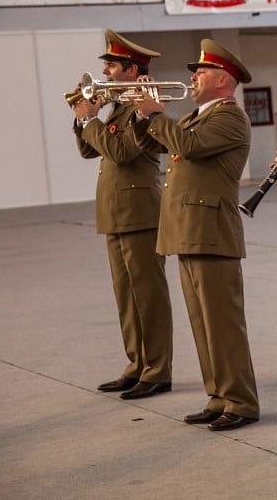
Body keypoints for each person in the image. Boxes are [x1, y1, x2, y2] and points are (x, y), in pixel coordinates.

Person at [132, 39, 259, 431]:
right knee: (203, 325)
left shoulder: (229, 117)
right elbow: (152, 144)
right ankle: (219, 395)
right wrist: (142, 116)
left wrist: (156, 115)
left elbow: (190, 147)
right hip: (189, 231)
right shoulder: (193, 116)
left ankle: (241, 400)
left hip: (211, 231)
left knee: (223, 324)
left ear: (223, 79)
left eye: (201, 71)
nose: (192, 77)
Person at [71, 30, 173, 400]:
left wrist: (91, 121)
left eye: (112, 66)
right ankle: (137, 365)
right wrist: (84, 120)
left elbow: (120, 153)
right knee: (126, 296)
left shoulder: (145, 105)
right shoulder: (116, 106)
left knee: (148, 294)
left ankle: (158, 369)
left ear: (133, 70)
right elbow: (89, 153)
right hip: (115, 212)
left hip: (140, 211)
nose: (107, 72)